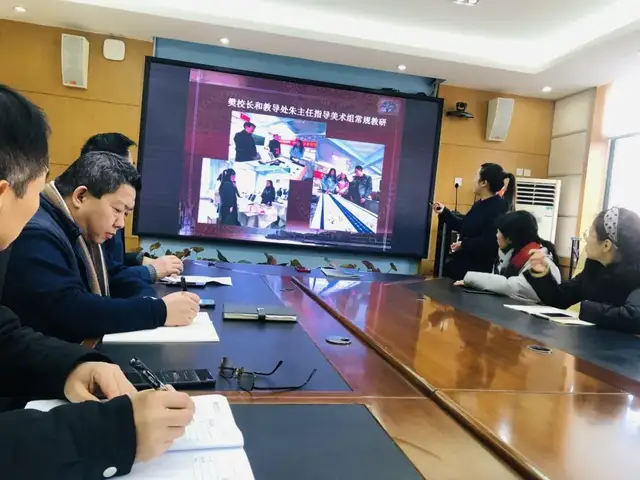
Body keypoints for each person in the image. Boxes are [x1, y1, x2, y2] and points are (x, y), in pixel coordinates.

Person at [0, 83, 194, 478]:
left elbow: (4, 336)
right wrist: (112, 434)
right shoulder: (38, 231)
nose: (36, 206)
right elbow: (68, 309)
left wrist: (73, 366)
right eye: (36, 191)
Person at [2, 151, 201, 342]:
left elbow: (112, 273)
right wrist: (158, 311)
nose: (120, 223)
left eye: (126, 214)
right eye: (117, 210)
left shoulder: (79, 228)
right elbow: (70, 311)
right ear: (81, 196)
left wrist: (148, 299)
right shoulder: (38, 234)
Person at [81, 133, 183, 283]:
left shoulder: (113, 209)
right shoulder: (95, 214)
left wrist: (140, 260)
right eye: (129, 167)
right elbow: (105, 275)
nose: (120, 223)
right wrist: (152, 271)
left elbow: (111, 260)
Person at [526, 206, 640, 333]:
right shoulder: (595, 267)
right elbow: (559, 298)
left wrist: (587, 308)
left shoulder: (636, 274)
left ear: (606, 245)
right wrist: (542, 274)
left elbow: (634, 318)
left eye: (590, 234)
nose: (586, 238)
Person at [455, 210, 561, 302]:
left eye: (498, 232)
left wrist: (471, 278)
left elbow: (511, 287)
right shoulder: (510, 255)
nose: (496, 235)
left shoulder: (540, 261)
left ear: (510, 238)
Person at [433, 163, 515, 280]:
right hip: (465, 265)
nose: (473, 180)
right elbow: (465, 225)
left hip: (477, 270)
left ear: (484, 183)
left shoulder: (498, 208)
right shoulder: (479, 204)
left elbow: (490, 240)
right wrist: (444, 212)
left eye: (476, 176)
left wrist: (463, 244)